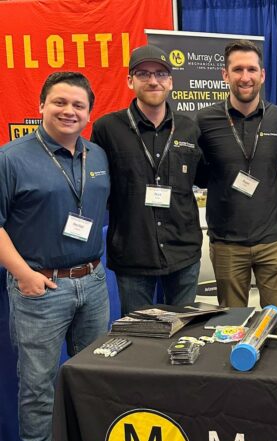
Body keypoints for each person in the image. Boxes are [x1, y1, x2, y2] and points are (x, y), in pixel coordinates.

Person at [0, 72, 110, 441]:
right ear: (41, 106)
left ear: (89, 113)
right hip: (41, 289)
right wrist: (23, 274)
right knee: (38, 386)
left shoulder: (97, 155)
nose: (69, 111)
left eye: (78, 105)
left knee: (95, 376)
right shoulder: (11, 158)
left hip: (92, 282)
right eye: (60, 102)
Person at [91, 45, 204, 316]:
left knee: (184, 331)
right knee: (138, 336)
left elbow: (204, 177)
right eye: (144, 74)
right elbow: (97, 188)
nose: (153, 81)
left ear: (171, 82)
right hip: (133, 253)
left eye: (161, 74)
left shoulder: (189, 128)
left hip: (183, 252)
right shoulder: (107, 129)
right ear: (130, 80)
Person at [195, 40, 277, 311]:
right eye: (238, 69)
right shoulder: (204, 120)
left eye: (252, 69)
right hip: (227, 244)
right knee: (232, 324)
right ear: (225, 75)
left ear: (262, 75)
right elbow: (199, 175)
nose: (245, 77)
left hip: (273, 241)